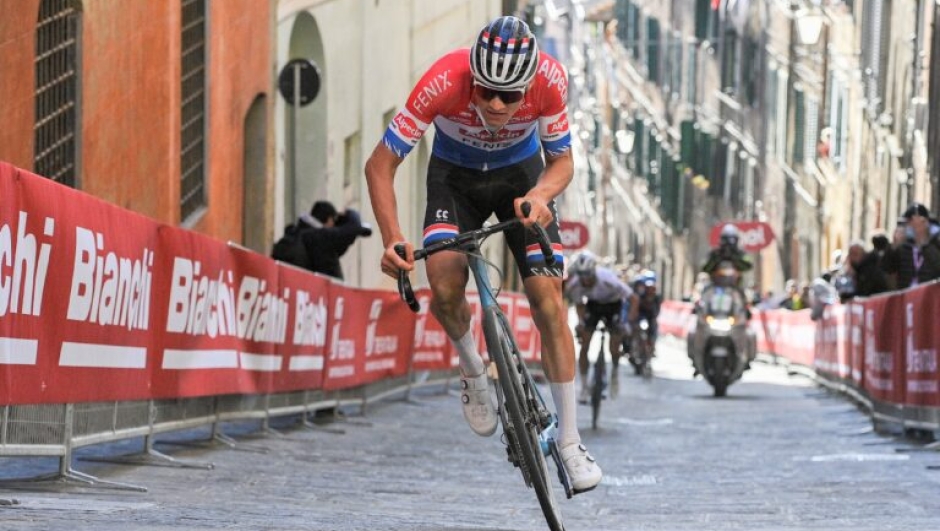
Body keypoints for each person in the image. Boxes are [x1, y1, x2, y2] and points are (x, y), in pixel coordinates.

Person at [363, 16, 602, 493]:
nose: (495, 104)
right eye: (485, 91)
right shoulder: (442, 81)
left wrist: (540, 195)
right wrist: (392, 239)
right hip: (455, 180)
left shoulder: (550, 82)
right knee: (446, 286)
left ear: (528, 86)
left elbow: (563, 161)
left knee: (549, 302)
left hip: (521, 177)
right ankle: (472, 365)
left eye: (509, 96)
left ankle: (571, 443)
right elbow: (380, 165)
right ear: (471, 76)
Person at [564, 251, 632, 402]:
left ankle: (614, 371)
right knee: (584, 342)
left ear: (594, 271)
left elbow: (630, 297)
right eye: (581, 275)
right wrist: (581, 323)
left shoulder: (608, 279)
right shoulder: (575, 284)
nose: (585, 280)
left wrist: (627, 321)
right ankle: (584, 386)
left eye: (588, 275)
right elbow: (580, 305)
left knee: (614, 344)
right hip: (593, 306)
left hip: (614, 305)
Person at [272, 200, 372, 280]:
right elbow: (353, 227)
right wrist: (349, 213)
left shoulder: (296, 233)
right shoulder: (319, 236)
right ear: (329, 220)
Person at [882, 202, 940, 289]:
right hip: (906, 296)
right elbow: (887, 269)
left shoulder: (935, 243)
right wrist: (893, 246)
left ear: (925, 222)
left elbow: (937, 268)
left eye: (913, 222)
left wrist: (924, 245)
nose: (910, 226)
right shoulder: (903, 247)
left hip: (928, 296)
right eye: (908, 222)